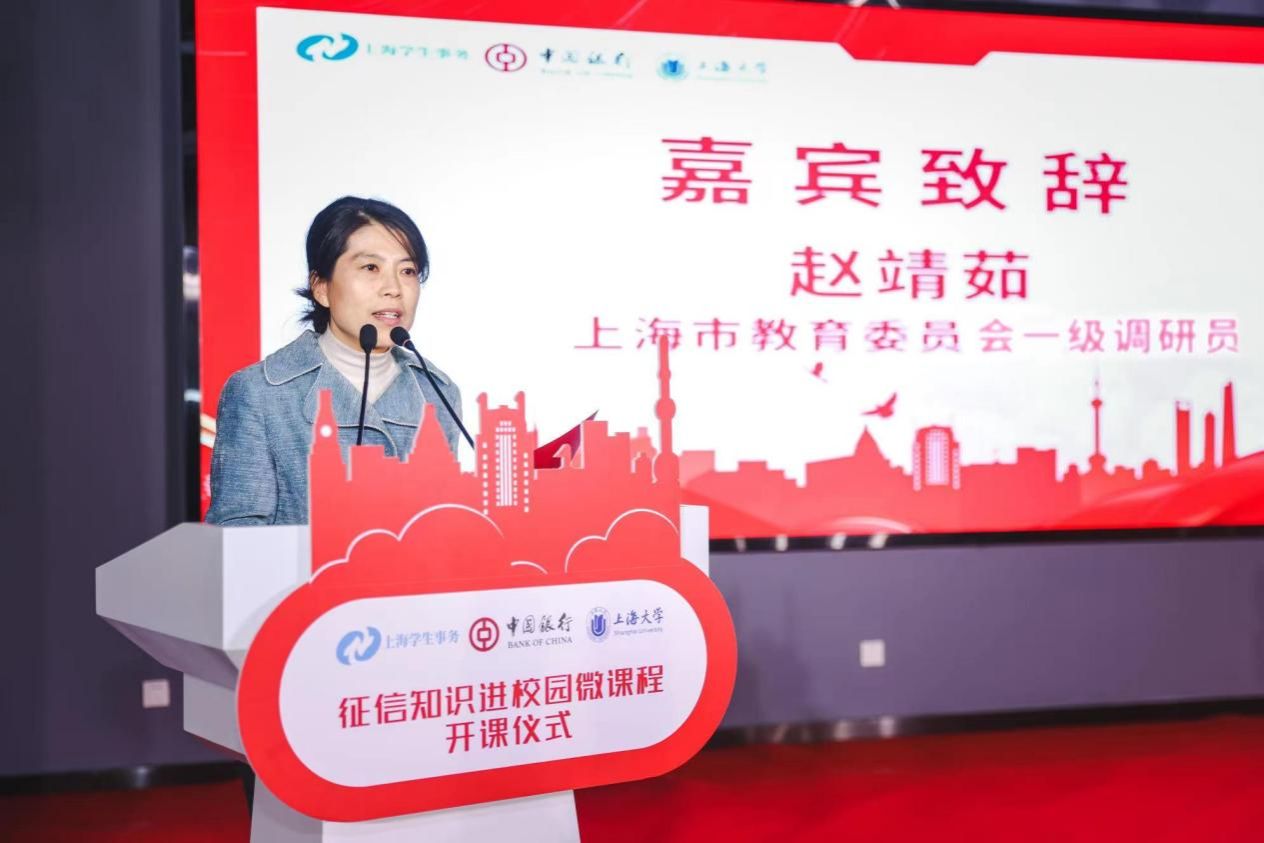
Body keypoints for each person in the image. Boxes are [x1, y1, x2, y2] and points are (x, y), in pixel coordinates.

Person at [205, 195, 463, 527]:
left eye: (408, 270)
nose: (394, 288)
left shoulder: (438, 393)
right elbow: (237, 536)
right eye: (371, 268)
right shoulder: (259, 393)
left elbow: (443, 528)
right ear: (321, 287)